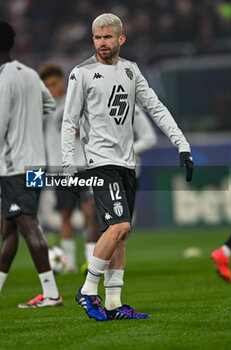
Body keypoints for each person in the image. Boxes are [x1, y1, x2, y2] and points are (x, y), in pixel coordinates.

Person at [62, 13, 193, 321]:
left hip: (126, 163)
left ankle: (114, 304)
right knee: (119, 226)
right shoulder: (81, 73)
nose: (101, 43)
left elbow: (156, 109)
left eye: (107, 37)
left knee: (119, 233)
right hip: (99, 162)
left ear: (121, 39)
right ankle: (87, 290)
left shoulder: (131, 72)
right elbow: (69, 122)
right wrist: (68, 166)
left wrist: (182, 144)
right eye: (97, 37)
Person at [0, 21, 63, 308]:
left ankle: (51, 294)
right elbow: (49, 105)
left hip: (14, 165)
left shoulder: (2, 79)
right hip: (36, 164)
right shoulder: (28, 73)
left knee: (28, 225)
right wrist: (28, 124)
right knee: (10, 228)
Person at [39, 63, 100, 272]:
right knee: (65, 214)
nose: (51, 89)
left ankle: (91, 261)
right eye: (47, 86)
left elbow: (92, 125)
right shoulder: (43, 107)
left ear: (62, 81)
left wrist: (81, 129)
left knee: (89, 210)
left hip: (82, 165)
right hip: (59, 169)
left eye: (54, 84)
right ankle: (69, 264)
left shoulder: (76, 98)